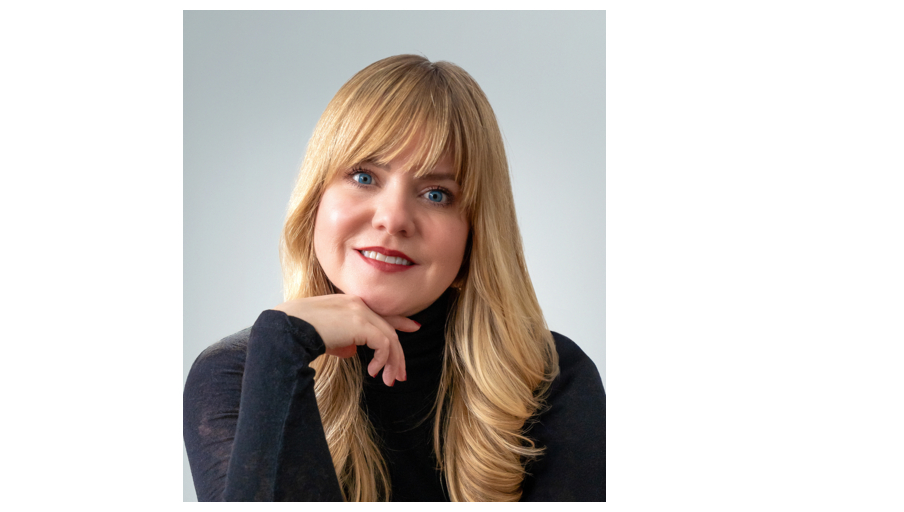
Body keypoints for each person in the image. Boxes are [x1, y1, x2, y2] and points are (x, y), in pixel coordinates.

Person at [183, 54, 606, 502]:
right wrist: (282, 347)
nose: (394, 218)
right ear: (315, 200)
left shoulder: (551, 379)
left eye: (436, 194)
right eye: (364, 176)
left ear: (475, 232)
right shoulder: (241, 374)